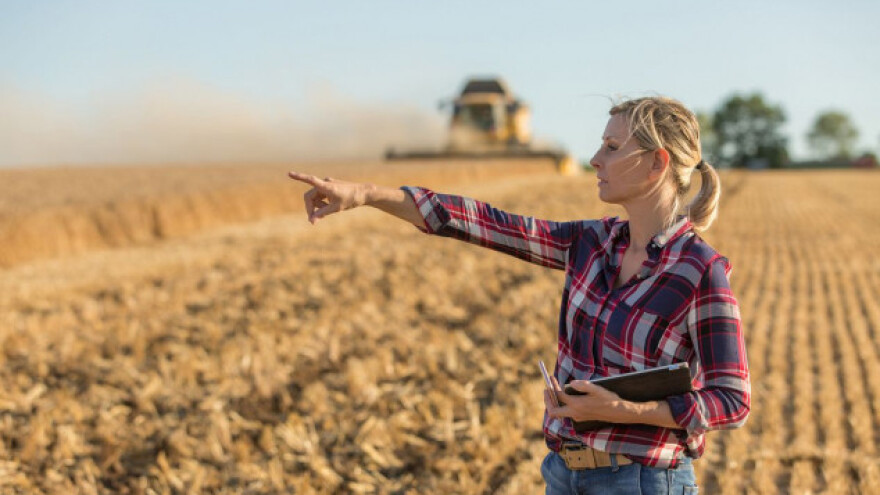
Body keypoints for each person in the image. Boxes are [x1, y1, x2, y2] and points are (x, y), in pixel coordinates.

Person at [288, 96, 750, 494]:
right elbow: (484, 223)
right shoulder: (590, 244)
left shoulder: (699, 271)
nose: (594, 159)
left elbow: (731, 399)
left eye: (611, 148)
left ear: (657, 163)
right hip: (564, 472)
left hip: (643, 481)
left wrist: (623, 410)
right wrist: (367, 193)